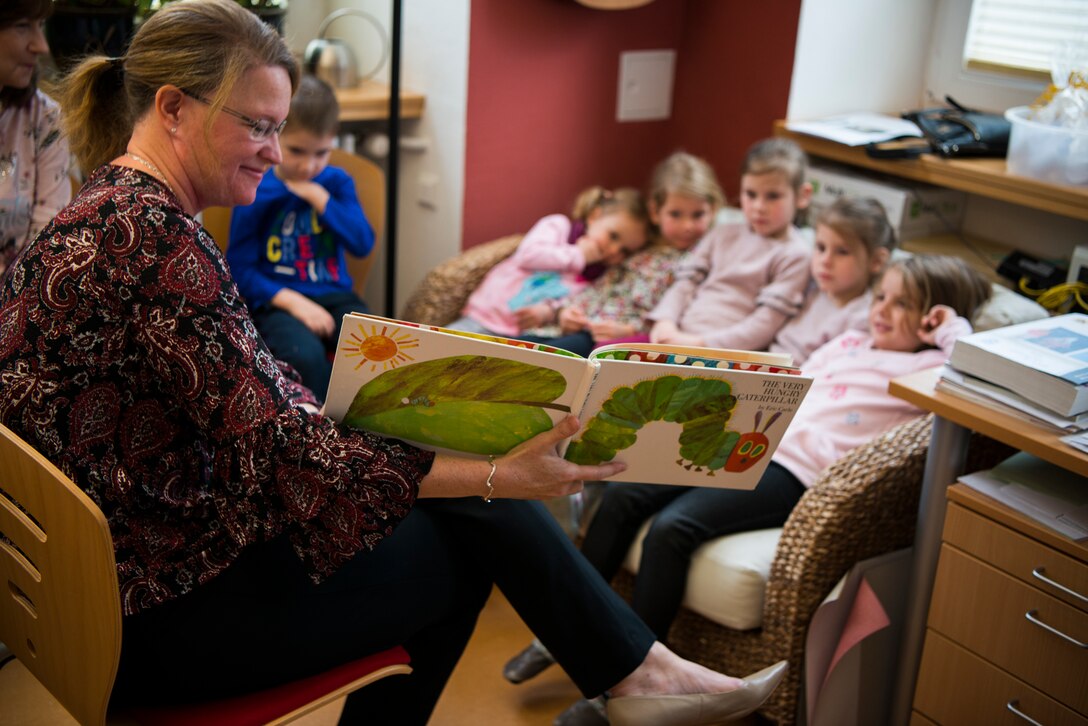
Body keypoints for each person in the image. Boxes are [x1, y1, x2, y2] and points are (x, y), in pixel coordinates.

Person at [0, 2, 787, 725]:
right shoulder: (159, 243)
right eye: (259, 126)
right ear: (174, 107)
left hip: (97, 592)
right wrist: (498, 475)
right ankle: (637, 674)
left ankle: (636, 672)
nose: (275, 153)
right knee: (472, 533)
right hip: (155, 621)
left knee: (455, 494)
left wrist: (326, 412)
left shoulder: (99, 215)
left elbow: (226, 400)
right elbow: (283, 461)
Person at [504, 254, 992, 724]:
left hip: (796, 472)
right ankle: (562, 637)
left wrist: (951, 330)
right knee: (624, 494)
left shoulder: (926, 372)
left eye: (902, 304)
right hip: (751, 447)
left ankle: (630, 686)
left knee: (673, 529)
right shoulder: (848, 342)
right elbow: (792, 383)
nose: (881, 310)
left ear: (933, 317)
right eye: (881, 297)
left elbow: (971, 376)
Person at [226, 74, 373, 401]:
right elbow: (239, 269)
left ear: (333, 141)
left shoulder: (336, 184)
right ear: (277, 137)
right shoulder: (258, 189)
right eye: (297, 150)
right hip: (278, 301)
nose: (309, 166)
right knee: (303, 356)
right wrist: (293, 302)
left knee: (373, 349)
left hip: (335, 296)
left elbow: (362, 243)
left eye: (321, 153)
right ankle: (322, 432)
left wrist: (322, 200)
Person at [520, 151, 724, 357]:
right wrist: (562, 312)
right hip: (581, 321)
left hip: (608, 338)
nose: (687, 226)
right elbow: (601, 287)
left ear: (713, 210)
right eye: (675, 214)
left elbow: (682, 316)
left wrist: (629, 331)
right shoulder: (641, 248)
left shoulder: (703, 257)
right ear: (655, 212)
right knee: (521, 345)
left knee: (546, 356)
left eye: (697, 215)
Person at [648, 138, 812, 351]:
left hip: (726, 354)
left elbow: (766, 323)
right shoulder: (723, 233)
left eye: (773, 196)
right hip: (679, 337)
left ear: (802, 196)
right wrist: (665, 322)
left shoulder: (795, 254)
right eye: (750, 194)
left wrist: (701, 344)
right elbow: (685, 283)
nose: (759, 207)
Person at [445, 186, 651, 338]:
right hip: (484, 315)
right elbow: (529, 255)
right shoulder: (558, 227)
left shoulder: (593, 280)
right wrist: (578, 255)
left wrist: (546, 312)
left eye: (625, 250)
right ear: (594, 216)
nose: (614, 250)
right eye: (613, 236)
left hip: (514, 334)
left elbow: (564, 301)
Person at [769, 196, 897, 365]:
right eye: (821, 248)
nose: (825, 261)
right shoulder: (810, 284)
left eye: (842, 252)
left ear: (876, 261)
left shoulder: (861, 318)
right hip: (767, 362)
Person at [0, 0, 70, 277]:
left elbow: (47, 243)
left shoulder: (45, 117)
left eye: (40, 25)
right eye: (22, 26)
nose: (42, 46)